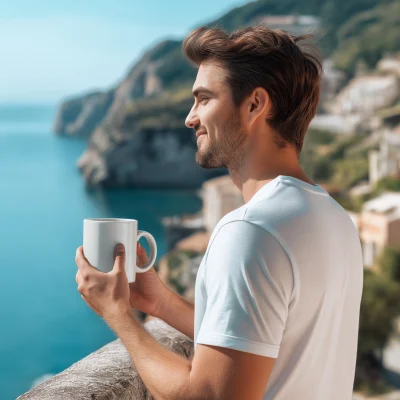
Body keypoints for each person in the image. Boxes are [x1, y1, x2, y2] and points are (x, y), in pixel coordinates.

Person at [75, 24, 364, 399]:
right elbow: (265, 338)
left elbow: (206, 395)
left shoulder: (251, 230)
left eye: (204, 99)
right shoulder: (332, 217)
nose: (189, 118)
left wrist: (118, 316)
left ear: (255, 104)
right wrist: (161, 303)